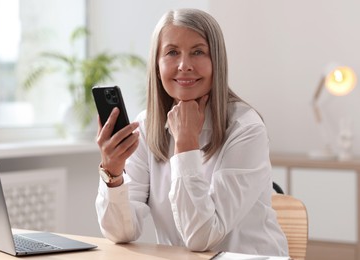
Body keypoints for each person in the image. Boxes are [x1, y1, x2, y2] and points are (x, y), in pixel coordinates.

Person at [95, 8, 289, 256]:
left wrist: (186, 144)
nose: (184, 65)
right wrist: (113, 174)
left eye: (198, 52)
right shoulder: (146, 126)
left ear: (216, 62)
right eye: (172, 52)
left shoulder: (246, 129)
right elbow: (120, 233)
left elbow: (202, 237)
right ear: (157, 64)